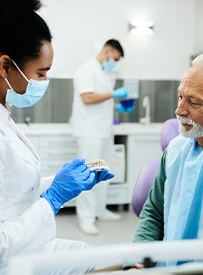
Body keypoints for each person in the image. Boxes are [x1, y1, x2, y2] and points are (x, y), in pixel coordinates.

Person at [0, 0, 114, 274]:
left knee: (95, 259)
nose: (44, 82)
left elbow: (8, 189)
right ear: (5, 66)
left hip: (18, 247)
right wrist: (54, 197)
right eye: (40, 73)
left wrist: (59, 183)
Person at [134, 52, 203, 265]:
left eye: (194, 102)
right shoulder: (175, 150)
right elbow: (154, 213)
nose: (179, 110)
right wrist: (138, 262)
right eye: (181, 96)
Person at [70, 39, 128, 235]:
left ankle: (99, 210)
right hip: (89, 131)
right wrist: (113, 94)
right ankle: (85, 218)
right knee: (89, 173)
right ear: (108, 51)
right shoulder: (86, 70)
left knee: (104, 172)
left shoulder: (103, 71)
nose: (116, 63)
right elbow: (87, 98)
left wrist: (116, 105)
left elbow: (101, 98)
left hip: (103, 130)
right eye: (116, 59)